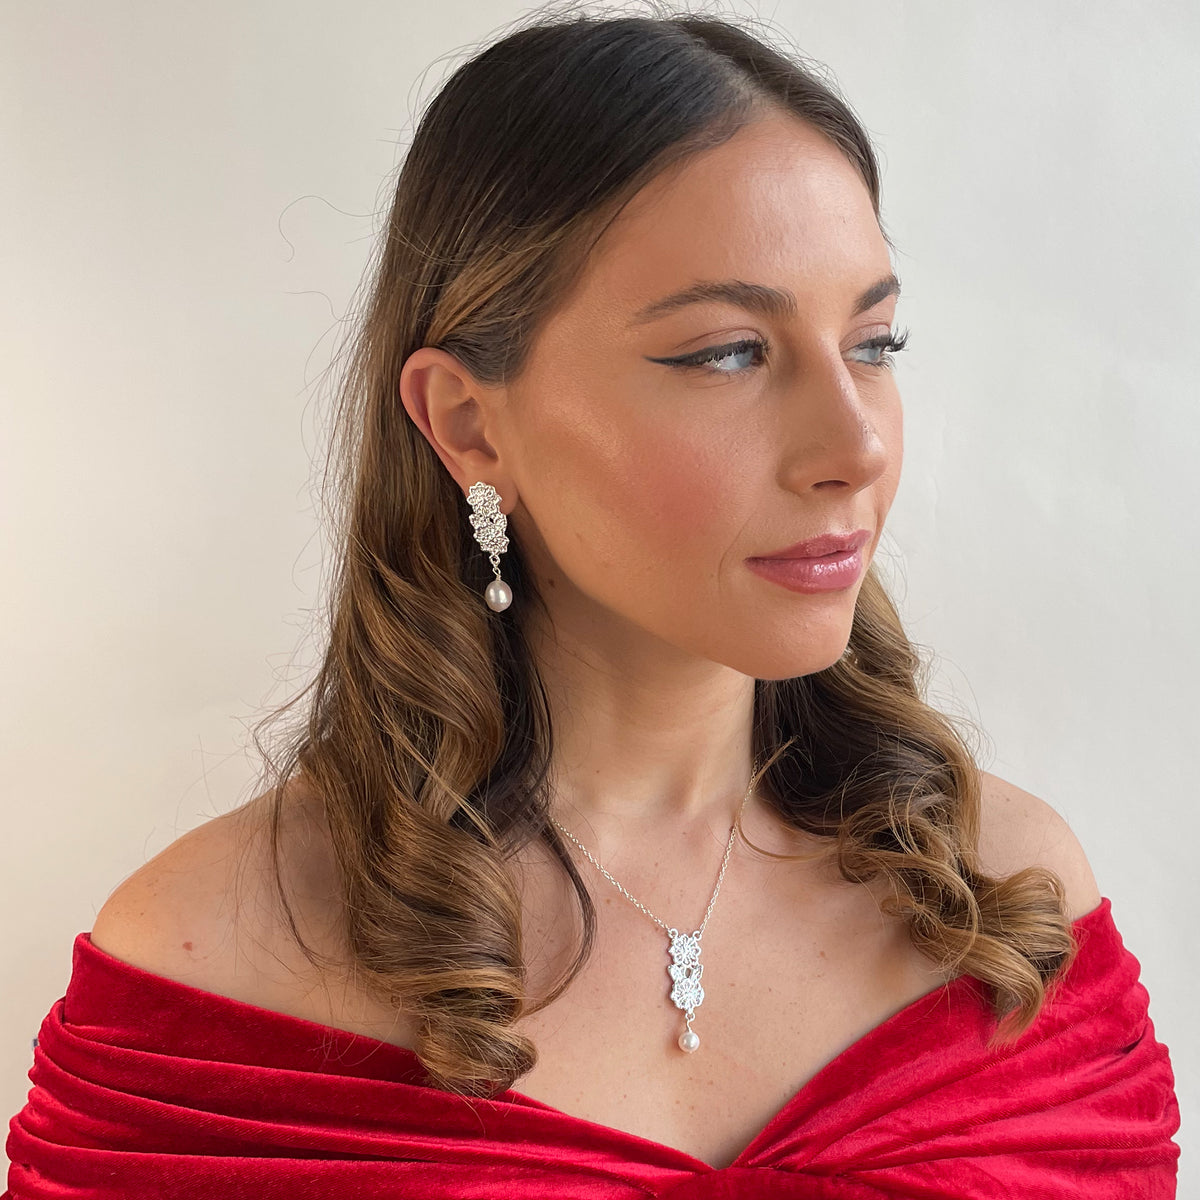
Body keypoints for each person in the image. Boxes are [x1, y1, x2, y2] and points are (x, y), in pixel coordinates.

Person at [5, 8, 1180, 1197]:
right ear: (468, 421)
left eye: (875, 342)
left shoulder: (1014, 905)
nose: (856, 444)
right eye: (727, 352)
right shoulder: (210, 967)